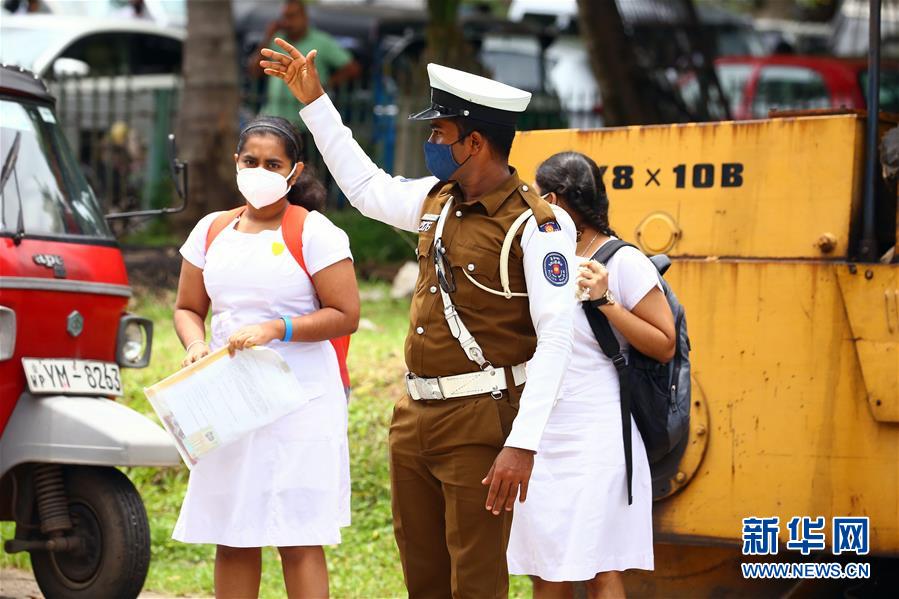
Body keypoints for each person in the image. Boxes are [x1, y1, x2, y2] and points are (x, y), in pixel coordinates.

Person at [260, 40, 577, 598]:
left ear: (474, 142)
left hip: (482, 417)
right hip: (415, 413)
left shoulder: (538, 227)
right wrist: (315, 102)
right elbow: (364, 188)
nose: (430, 143)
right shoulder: (438, 199)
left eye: (440, 134)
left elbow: (556, 339)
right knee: (421, 575)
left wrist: (522, 443)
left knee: (475, 579)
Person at [171, 115, 359, 598]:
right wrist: (195, 346)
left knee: (297, 537)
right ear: (236, 163)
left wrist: (280, 328)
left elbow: (345, 313)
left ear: (293, 172)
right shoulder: (212, 230)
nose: (260, 170)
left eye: (272, 163)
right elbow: (188, 308)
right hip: (231, 401)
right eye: (250, 160)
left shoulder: (317, 233)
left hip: (301, 403)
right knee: (233, 534)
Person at [507, 152, 676, 599]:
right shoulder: (545, 256)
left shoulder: (623, 261)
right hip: (544, 432)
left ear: (556, 199)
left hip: (597, 433)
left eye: (538, 198)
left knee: (600, 566)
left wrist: (606, 301)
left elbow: (664, 342)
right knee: (547, 568)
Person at [248, 0, 361, 124]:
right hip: (274, 117)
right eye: (284, 17)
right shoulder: (276, 39)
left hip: (306, 122)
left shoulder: (322, 42)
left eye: (292, 16)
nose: (287, 22)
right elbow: (254, 71)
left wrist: (323, 85)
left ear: (304, 17)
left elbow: (352, 68)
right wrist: (267, 37)